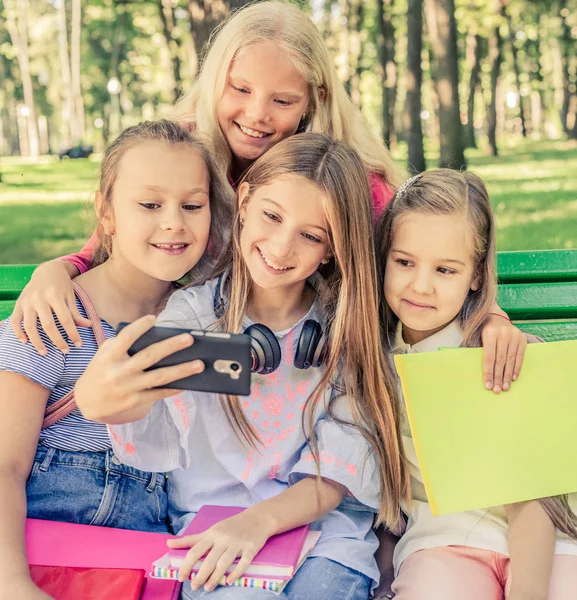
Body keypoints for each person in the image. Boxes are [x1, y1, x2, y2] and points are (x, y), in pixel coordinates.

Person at [10, 1, 524, 394]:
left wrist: (492, 317)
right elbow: (111, 240)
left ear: (312, 101)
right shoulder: (181, 150)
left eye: (282, 100)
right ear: (215, 82)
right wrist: (57, 270)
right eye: (240, 89)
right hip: (199, 384)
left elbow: (430, 257)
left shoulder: (349, 183)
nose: (257, 114)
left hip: (304, 388)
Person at [74, 133, 410, 599]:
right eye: (271, 216)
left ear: (331, 249)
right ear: (245, 201)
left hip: (323, 535)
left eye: (311, 236)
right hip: (215, 535)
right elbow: (143, 411)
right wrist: (103, 400)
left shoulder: (345, 331)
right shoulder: (191, 316)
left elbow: (341, 469)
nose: (281, 246)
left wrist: (259, 524)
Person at [0, 120, 233, 600]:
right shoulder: (55, 316)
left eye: (193, 205)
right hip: (43, 567)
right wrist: (12, 583)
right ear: (106, 214)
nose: (174, 221)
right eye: (149, 205)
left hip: (145, 576)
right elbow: (4, 464)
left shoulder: (204, 330)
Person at [376, 169, 577, 600]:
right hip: (443, 542)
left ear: (475, 277)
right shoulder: (375, 355)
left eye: (446, 269)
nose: (420, 285)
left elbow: (533, 498)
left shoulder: (497, 355)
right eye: (404, 262)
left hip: (549, 540)